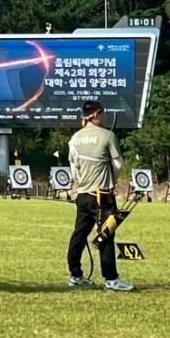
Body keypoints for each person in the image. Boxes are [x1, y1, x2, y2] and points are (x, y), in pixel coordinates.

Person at [66, 100, 134, 292]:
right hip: (102, 195)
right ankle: (111, 279)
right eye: (102, 114)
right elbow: (118, 164)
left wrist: (83, 184)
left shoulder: (75, 138)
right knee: (106, 234)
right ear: (96, 114)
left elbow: (74, 170)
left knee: (79, 234)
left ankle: (75, 275)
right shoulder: (107, 136)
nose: (103, 118)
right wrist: (110, 182)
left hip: (82, 195)